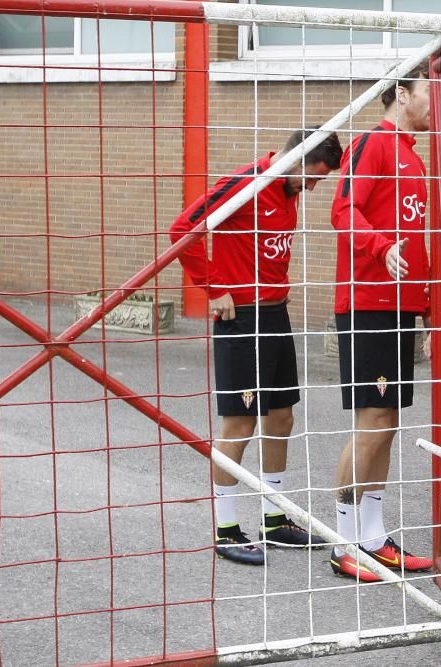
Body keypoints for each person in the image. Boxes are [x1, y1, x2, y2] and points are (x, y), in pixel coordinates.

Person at [169, 128, 343, 566]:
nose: (314, 187)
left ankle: (273, 519)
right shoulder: (245, 182)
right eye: (313, 177)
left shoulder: (290, 188)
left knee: (281, 416)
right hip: (240, 319)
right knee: (240, 423)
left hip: (275, 314)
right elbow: (182, 228)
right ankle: (225, 528)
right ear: (295, 159)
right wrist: (212, 288)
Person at [328, 65, 435, 582]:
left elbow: (417, 237)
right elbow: (343, 209)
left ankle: (374, 538)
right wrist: (381, 246)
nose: (437, 102)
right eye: (431, 90)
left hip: (399, 308)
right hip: (367, 303)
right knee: (370, 423)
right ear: (402, 93)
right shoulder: (372, 143)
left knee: (388, 423)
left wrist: (429, 303)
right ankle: (344, 541)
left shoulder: (413, 154)